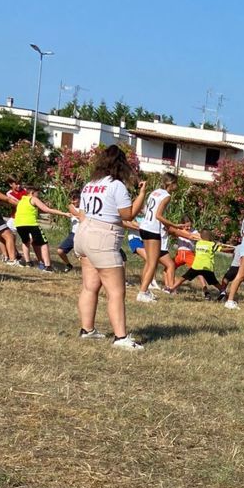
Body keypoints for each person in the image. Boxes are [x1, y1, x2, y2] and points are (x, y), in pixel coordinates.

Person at [74, 144, 148, 351]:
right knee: (116, 291)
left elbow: (82, 214)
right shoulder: (116, 185)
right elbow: (128, 215)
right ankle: (120, 337)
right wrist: (142, 194)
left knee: (89, 286)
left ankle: (87, 330)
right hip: (103, 237)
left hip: (83, 233)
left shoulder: (90, 184)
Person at [136, 181, 186, 301]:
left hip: (144, 226)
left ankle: (144, 289)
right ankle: (142, 292)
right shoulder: (166, 196)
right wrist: (174, 225)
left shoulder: (154, 192)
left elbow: (147, 210)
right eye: (176, 184)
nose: (177, 186)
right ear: (171, 183)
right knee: (152, 264)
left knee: (149, 262)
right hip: (153, 229)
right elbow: (158, 216)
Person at [11, 186, 61, 272]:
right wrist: (63, 213)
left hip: (19, 224)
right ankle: (48, 266)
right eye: (38, 193)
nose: (38, 195)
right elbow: (46, 209)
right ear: (32, 193)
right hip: (31, 223)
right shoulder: (33, 198)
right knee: (44, 243)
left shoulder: (22, 200)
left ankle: (28, 262)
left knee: (25, 241)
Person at [175, 229, 231, 297]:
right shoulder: (212, 244)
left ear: (201, 236)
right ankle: (224, 293)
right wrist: (232, 248)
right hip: (207, 267)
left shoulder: (198, 243)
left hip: (197, 266)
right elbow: (222, 250)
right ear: (210, 236)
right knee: (215, 282)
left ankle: (171, 288)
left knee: (183, 278)